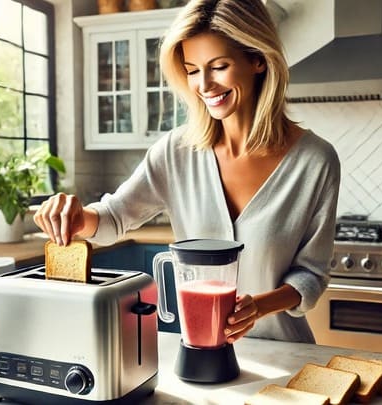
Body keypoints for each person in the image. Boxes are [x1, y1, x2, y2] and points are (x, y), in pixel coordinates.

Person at [34, 0, 340, 344]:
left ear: (257, 59)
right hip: (201, 352)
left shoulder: (316, 160)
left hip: (285, 354)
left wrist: (258, 306)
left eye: (219, 66)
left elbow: (311, 276)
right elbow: (114, 218)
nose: (204, 85)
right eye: (192, 70)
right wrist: (77, 218)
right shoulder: (176, 151)